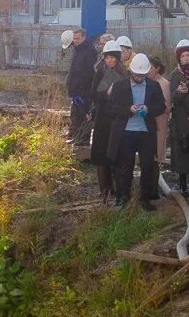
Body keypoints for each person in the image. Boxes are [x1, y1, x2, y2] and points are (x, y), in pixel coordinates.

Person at [104, 51, 167, 210]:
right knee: (124, 166)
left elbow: (161, 107)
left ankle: (144, 199)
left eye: (143, 76)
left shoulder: (154, 86)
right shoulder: (120, 85)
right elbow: (110, 108)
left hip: (145, 132)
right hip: (125, 132)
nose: (140, 79)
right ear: (131, 71)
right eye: (137, 75)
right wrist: (128, 110)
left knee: (147, 166)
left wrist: (149, 109)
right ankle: (122, 197)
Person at [90, 40, 127, 199]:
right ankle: (104, 189)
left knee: (117, 155)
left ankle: (118, 189)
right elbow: (93, 94)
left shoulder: (124, 73)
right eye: (106, 57)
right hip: (103, 118)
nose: (109, 60)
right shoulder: (100, 72)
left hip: (118, 118)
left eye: (112, 57)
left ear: (117, 58)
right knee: (101, 155)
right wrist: (106, 93)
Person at [166, 41, 189, 197]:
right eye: (183, 56)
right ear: (178, 59)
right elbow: (172, 100)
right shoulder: (175, 75)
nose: (186, 58)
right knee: (182, 150)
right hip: (180, 119)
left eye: (188, 55)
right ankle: (183, 185)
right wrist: (180, 92)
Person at [64, 27, 98, 146]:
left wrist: (81, 87)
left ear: (84, 37)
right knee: (76, 114)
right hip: (76, 90)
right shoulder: (77, 50)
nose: (75, 41)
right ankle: (76, 136)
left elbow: (89, 71)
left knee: (84, 114)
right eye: (74, 38)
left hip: (84, 90)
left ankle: (83, 140)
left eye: (77, 38)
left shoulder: (90, 51)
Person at [148, 55, 172, 166]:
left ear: (157, 69)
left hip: (160, 121)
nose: (148, 70)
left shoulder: (164, 83)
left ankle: (157, 173)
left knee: (158, 149)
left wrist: (155, 106)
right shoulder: (147, 82)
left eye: (150, 67)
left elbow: (167, 106)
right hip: (149, 120)